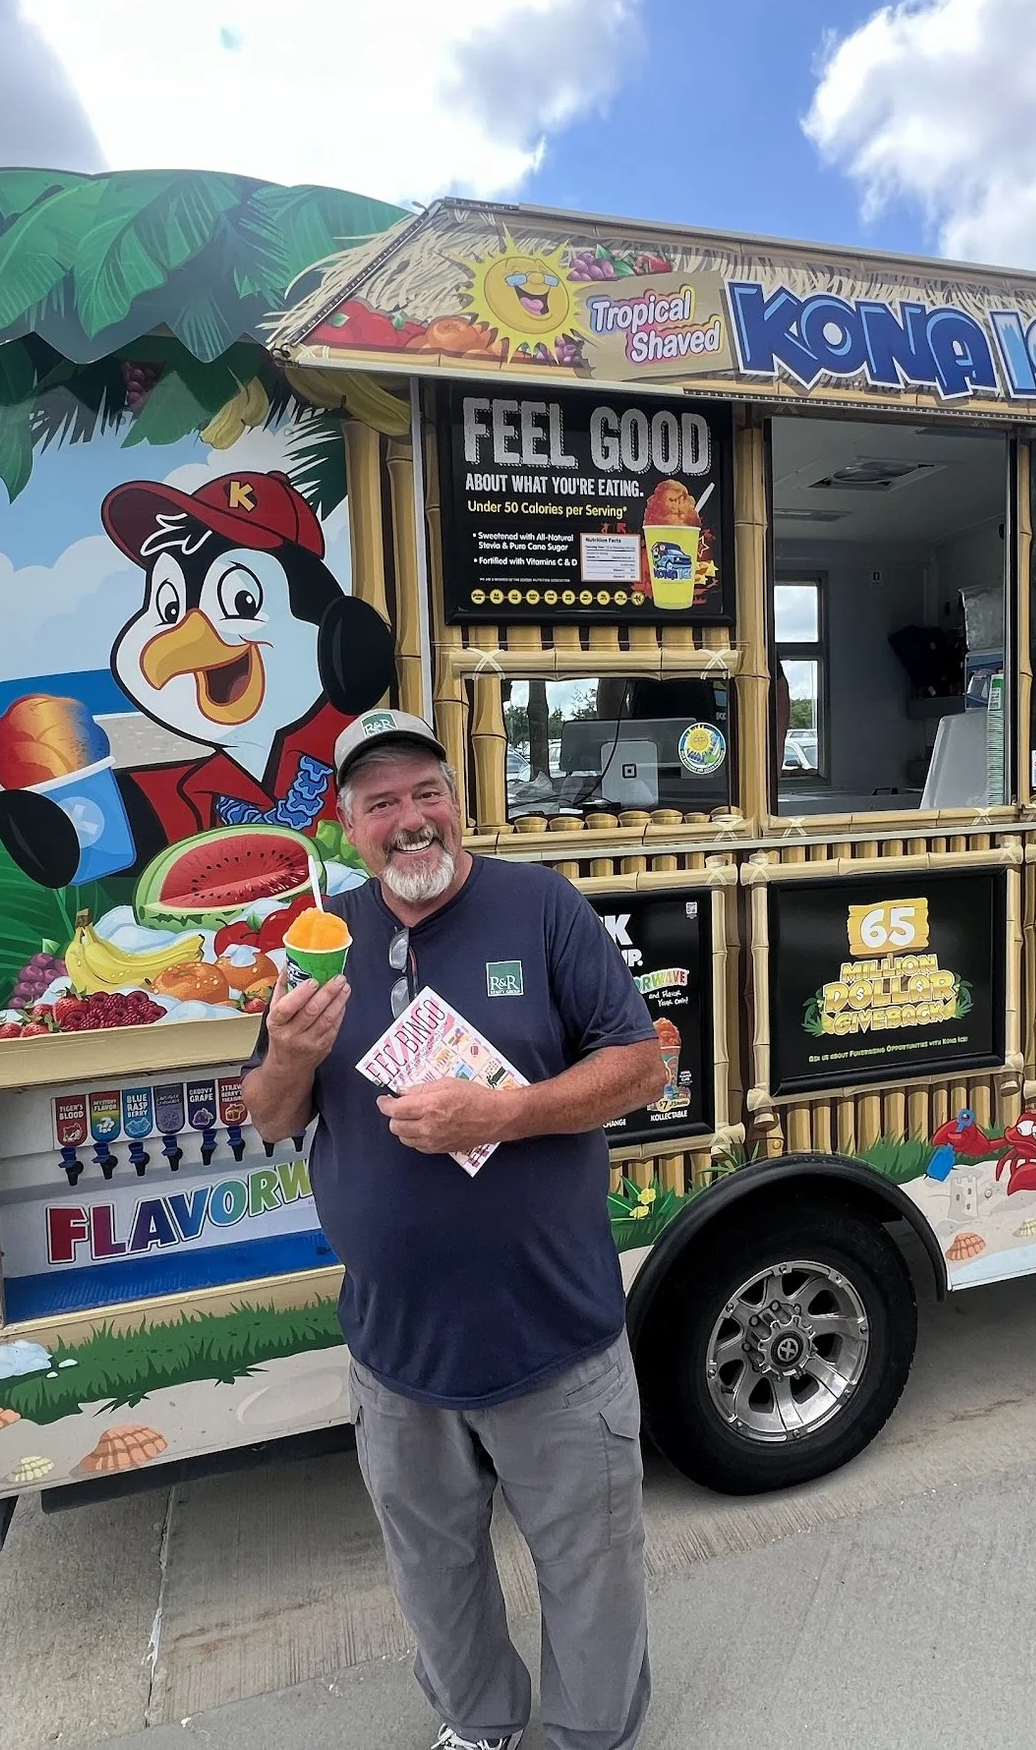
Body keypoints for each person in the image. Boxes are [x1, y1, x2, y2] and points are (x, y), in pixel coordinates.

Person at [243, 708, 668, 1750]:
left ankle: (588, 1735)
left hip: (556, 1334)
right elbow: (270, 1118)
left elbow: (640, 1064)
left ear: (458, 802)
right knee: (432, 1569)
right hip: (396, 1350)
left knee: (589, 1565)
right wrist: (291, 1055)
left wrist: (505, 1112)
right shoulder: (320, 938)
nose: (411, 819)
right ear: (349, 828)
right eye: (381, 803)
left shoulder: (540, 906)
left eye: (426, 793)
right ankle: (479, 1723)